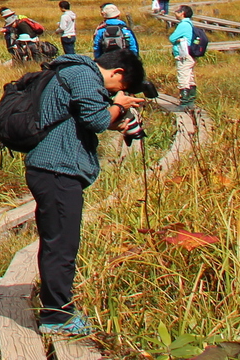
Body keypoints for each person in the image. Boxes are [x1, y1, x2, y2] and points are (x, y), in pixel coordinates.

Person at [22, 49, 150, 336]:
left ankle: (57, 309)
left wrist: (116, 118)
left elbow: (82, 119)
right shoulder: (83, 75)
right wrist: (117, 105)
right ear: (117, 73)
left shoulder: (75, 73)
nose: (119, 91)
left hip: (53, 168)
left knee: (59, 241)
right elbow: (95, 120)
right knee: (62, 245)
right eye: (122, 87)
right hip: (57, 170)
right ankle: (57, 317)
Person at [169, 4, 199, 108]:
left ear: (182, 13)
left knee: (183, 76)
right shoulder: (189, 24)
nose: (175, 13)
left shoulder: (183, 24)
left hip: (183, 55)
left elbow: (172, 38)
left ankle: (185, 102)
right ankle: (191, 99)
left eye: (177, 11)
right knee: (189, 77)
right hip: (189, 54)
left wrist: (176, 40)